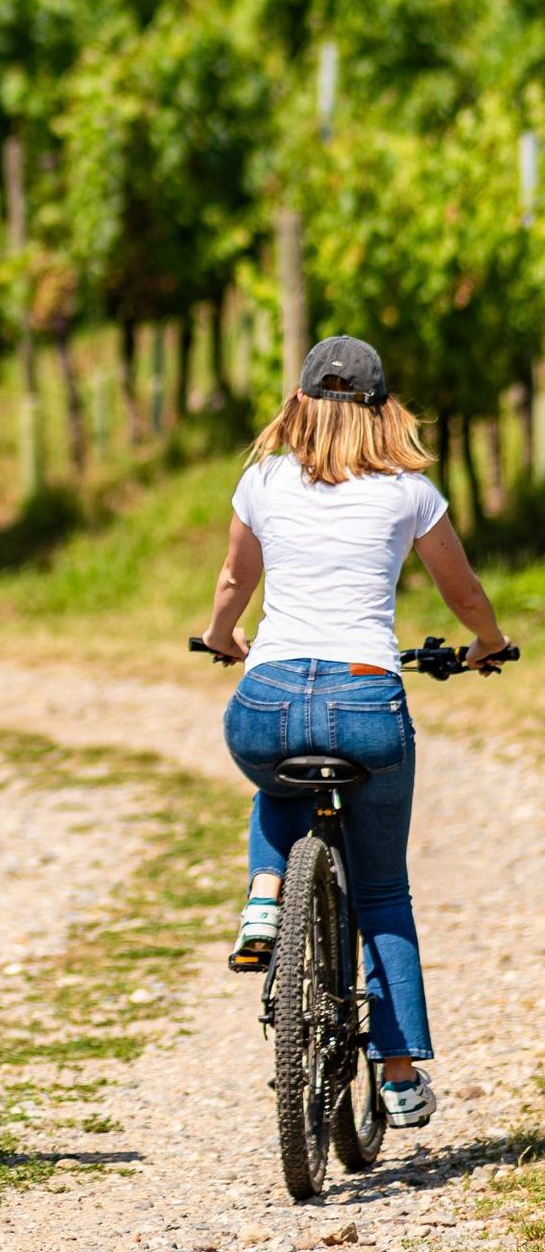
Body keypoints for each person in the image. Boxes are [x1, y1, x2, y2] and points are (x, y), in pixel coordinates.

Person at [196, 335, 509, 1129]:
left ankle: (265, 897)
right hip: (368, 698)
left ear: (298, 400)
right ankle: (399, 1076)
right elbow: (461, 589)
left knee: (273, 772)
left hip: (265, 692)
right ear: (381, 408)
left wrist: (222, 635)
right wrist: (486, 643)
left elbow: (236, 579)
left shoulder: (262, 479)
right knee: (381, 890)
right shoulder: (411, 490)